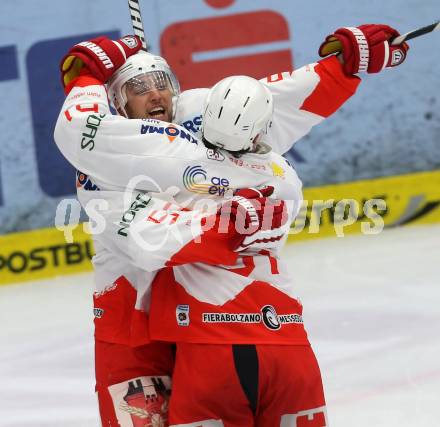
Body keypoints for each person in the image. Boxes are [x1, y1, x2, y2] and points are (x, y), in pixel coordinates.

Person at [54, 24, 408, 426]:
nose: (155, 94)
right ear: (117, 103)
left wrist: (341, 66)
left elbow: (265, 106)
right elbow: (148, 237)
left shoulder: (198, 113)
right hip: (134, 327)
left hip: (205, 325)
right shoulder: (103, 163)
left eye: (161, 82)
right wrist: (84, 78)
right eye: (139, 88)